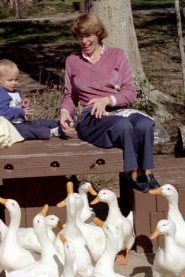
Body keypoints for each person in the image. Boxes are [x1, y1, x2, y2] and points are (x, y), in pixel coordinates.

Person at [60, 13, 160, 193]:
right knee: (122, 126)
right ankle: (131, 172)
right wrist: (64, 113)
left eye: (88, 35)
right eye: (80, 36)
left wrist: (107, 99)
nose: (84, 41)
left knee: (144, 124)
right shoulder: (72, 61)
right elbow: (70, 95)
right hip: (92, 116)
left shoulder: (117, 55)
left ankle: (147, 171)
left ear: (98, 34)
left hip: (119, 110)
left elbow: (130, 92)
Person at [0, 59, 63, 140]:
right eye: (10, 80)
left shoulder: (16, 92)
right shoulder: (0, 95)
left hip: (22, 122)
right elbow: (3, 113)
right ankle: (51, 132)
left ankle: (61, 124)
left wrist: (25, 105)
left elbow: (19, 108)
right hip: (11, 127)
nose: (14, 83)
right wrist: (21, 111)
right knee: (25, 130)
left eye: (16, 79)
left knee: (39, 122)